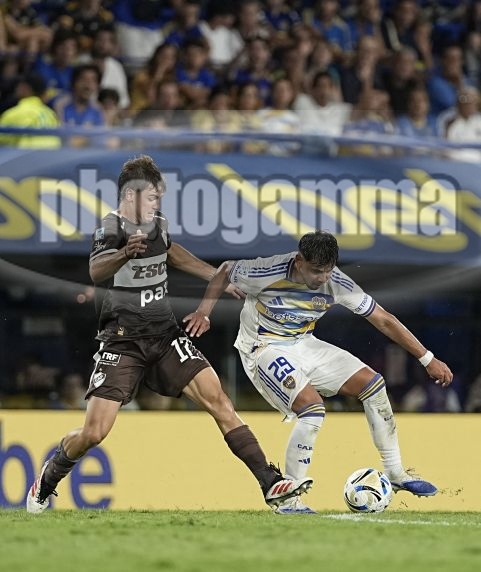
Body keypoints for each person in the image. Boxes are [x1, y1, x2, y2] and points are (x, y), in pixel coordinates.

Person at [26, 155, 311, 514]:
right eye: (152, 197)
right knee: (94, 432)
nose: (157, 202)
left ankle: (270, 483)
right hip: (122, 341)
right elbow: (96, 270)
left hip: (164, 336)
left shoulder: (157, 224)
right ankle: (49, 476)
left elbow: (174, 254)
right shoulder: (110, 228)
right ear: (130, 196)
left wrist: (217, 278)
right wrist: (124, 253)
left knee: (219, 401)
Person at [184, 230, 453, 515]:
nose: (322, 278)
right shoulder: (267, 270)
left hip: (304, 343)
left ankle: (396, 472)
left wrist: (427, 358)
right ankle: (288, 499)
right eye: (316, 271)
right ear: (299, 261)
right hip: (263, 347)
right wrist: (203, 312)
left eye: (328, 270)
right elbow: (226, 270)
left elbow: (384, 320)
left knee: (374, 385)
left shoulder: (337, 283)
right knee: (313, 409)